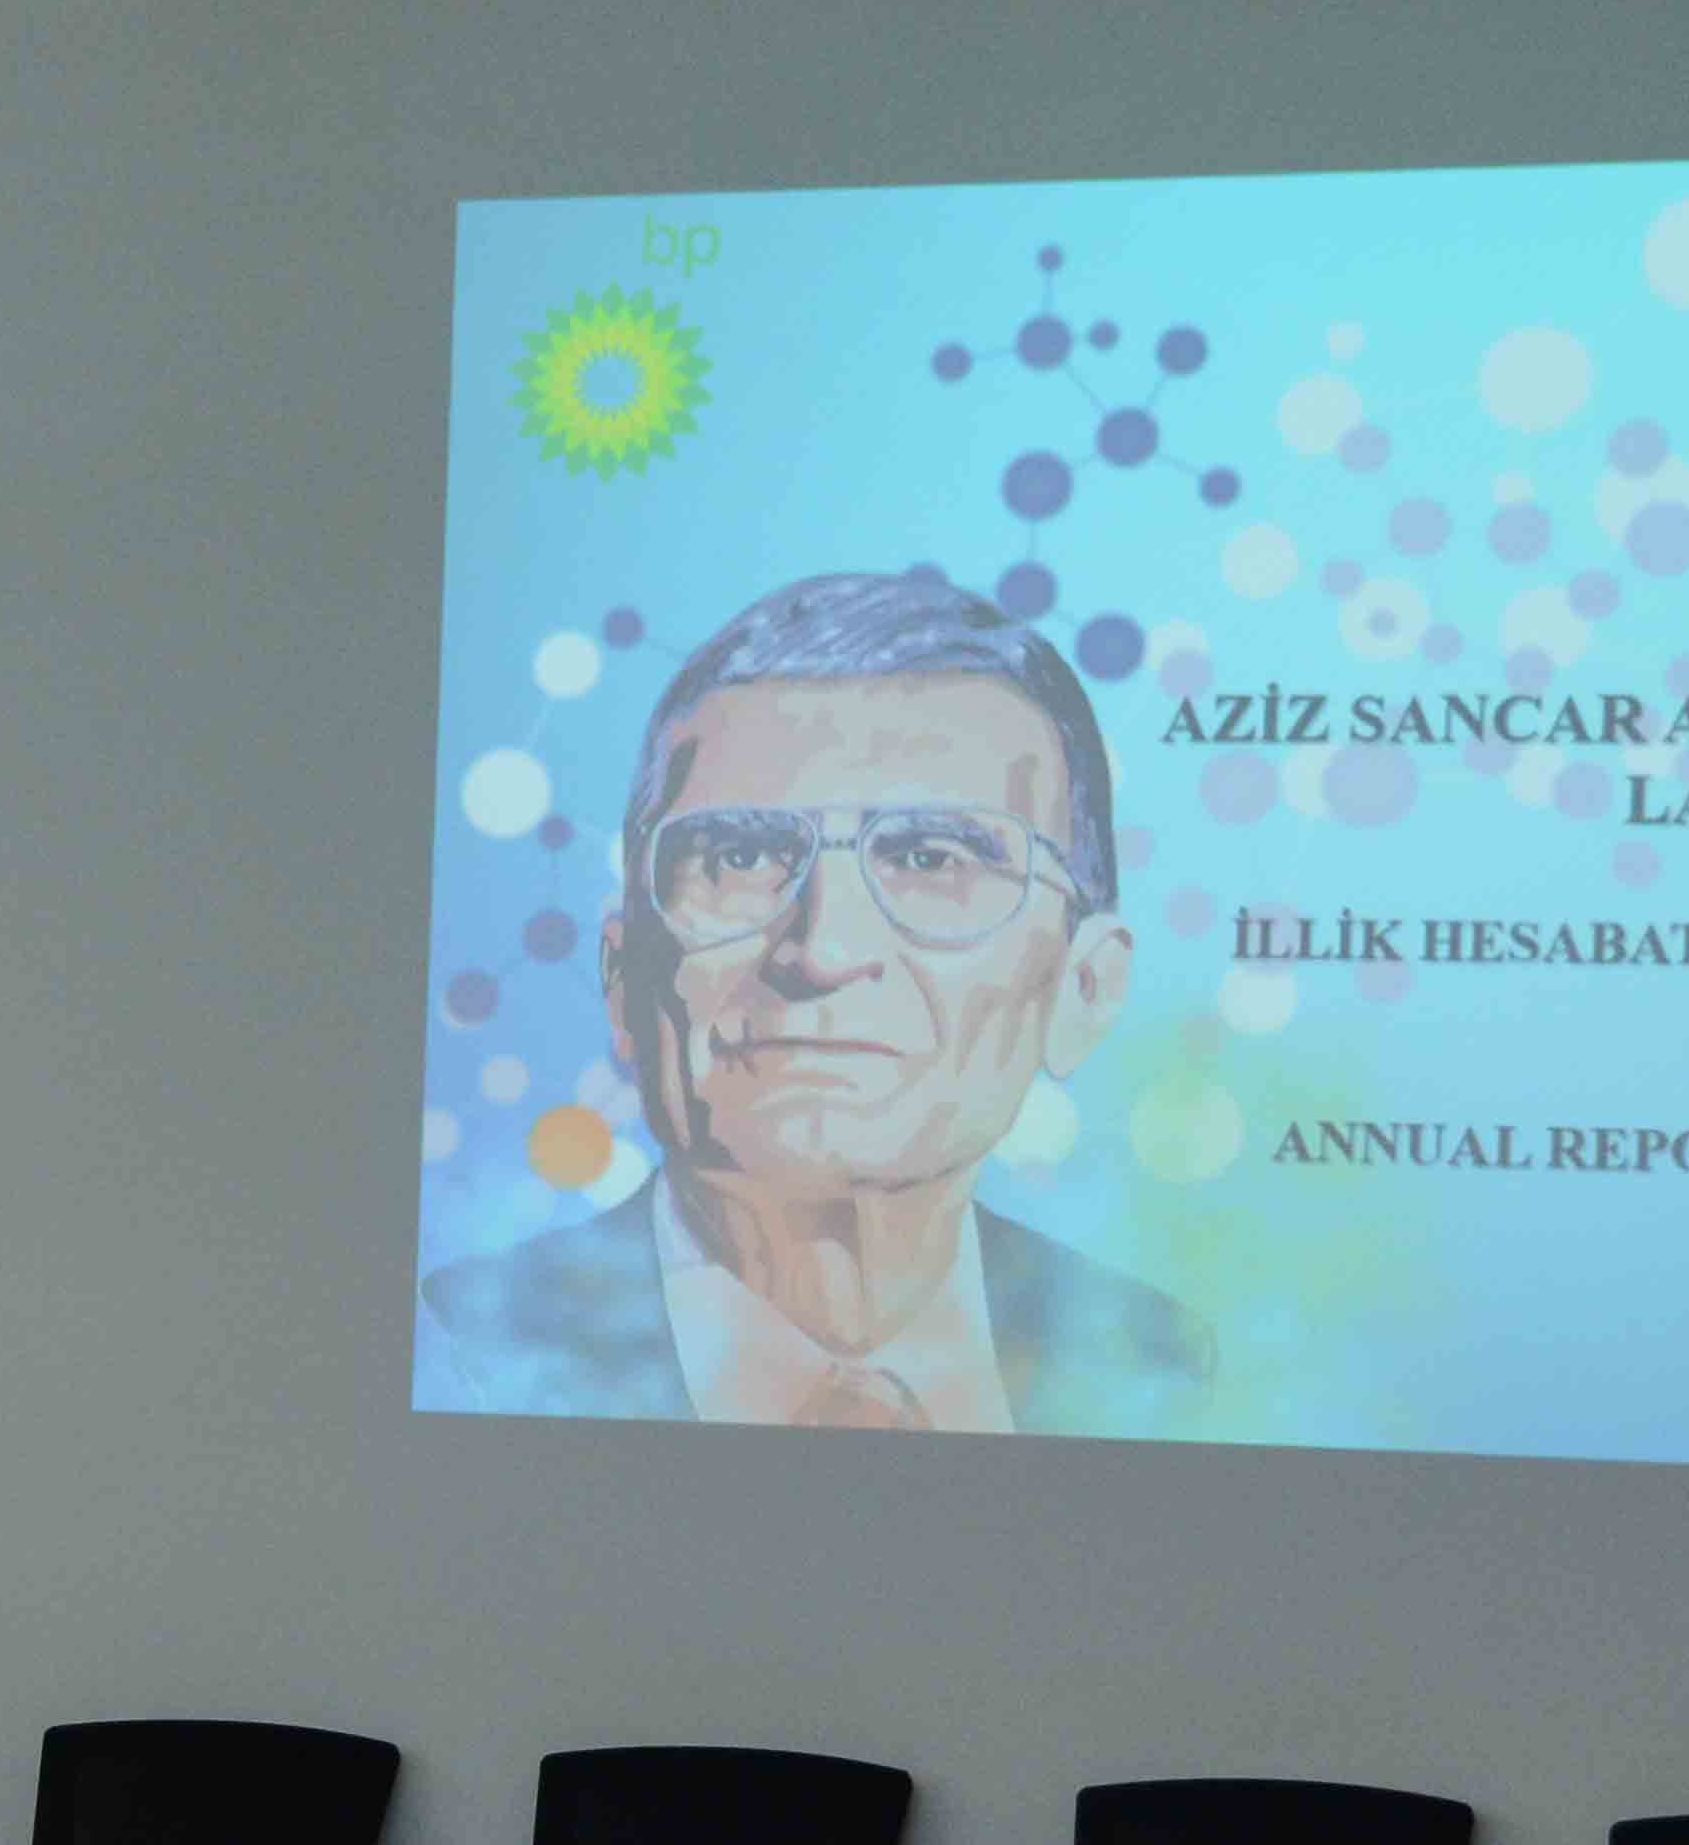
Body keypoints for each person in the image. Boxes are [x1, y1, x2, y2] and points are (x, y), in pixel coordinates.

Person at [417, 568, 1208, 1432]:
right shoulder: (452, 1350)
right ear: (620, 976)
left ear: (1083, 988)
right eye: (738, 858)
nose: (823, 951)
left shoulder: (1174, 1377)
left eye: (931, 859)